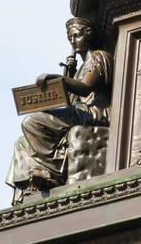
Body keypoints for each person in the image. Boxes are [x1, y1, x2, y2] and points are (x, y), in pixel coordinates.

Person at [7, 16, 112, 204]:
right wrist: (68, 76)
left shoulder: (98, 57)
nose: (74, 41)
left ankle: (51, 170)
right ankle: (38, 179)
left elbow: (86, 87)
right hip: (78, 112)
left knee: (32, 122)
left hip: (92, 113)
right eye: (71, 38)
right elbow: (70, 100)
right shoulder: (79, 69)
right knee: (22, 143)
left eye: (78, 36)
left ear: (89, 36)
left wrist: (61, 80)